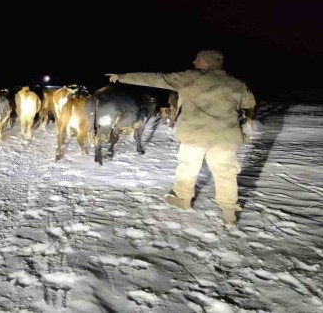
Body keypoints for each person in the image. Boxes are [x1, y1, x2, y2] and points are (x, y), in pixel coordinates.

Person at [105, 50, 256, 228]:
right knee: (226, 174)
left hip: (195, 134)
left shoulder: (190, 77)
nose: (194, 62)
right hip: (224, 136)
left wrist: (122, 77)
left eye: (198, 59)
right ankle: (229, 213)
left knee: (187, 168)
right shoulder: (235, 83)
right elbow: (249, 103)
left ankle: (183, 199)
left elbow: (156, 79)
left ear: (208, 62)